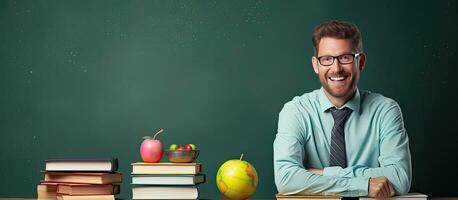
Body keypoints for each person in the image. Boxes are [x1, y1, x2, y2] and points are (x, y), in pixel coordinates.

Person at [273, 20, 411, 198]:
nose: (336, 68)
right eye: (327, 59)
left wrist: (323, 173)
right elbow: (286, 179)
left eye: (345, 57)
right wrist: (364, 184)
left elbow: (399, 179)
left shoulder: (385, 110)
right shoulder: (296, 111)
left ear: (360, 61)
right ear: (316, 65)